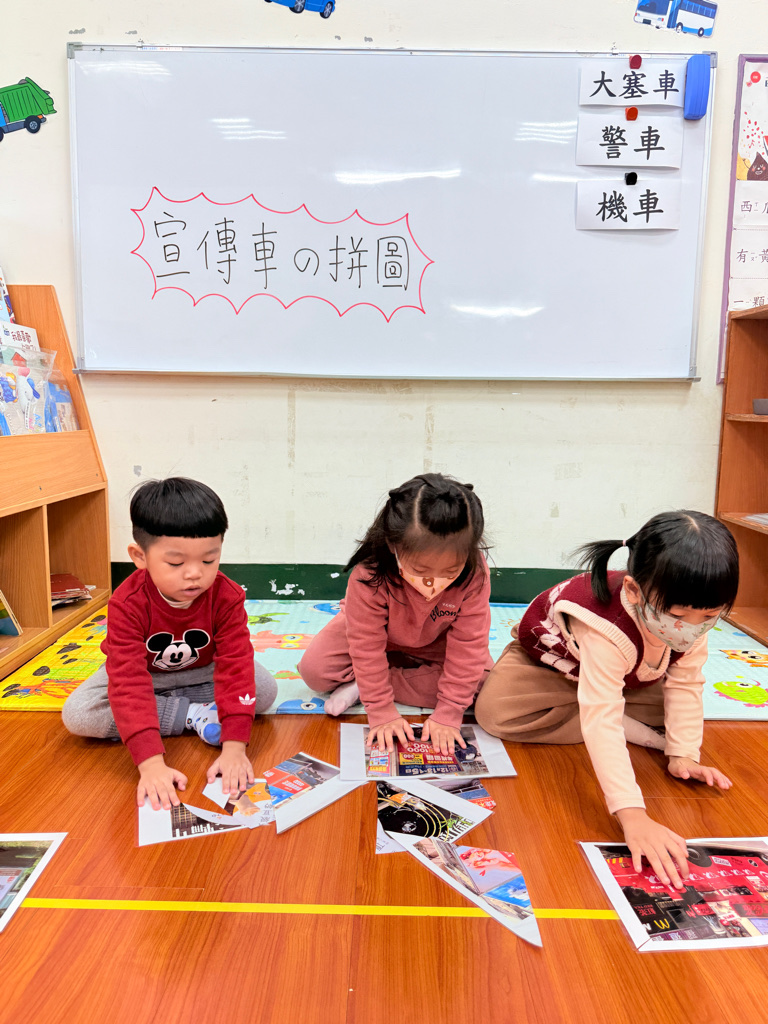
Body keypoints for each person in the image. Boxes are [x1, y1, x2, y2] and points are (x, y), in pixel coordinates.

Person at [475, 510, 738, 890]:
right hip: (550, 666)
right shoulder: (605, 627)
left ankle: (613, 710)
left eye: (710, 615)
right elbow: (600, 718)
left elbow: (686, 685)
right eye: (677, 615)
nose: (691, 628)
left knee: (674, 714)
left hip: (628, 673)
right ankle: (620, 718)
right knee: (497, 711)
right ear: (633, 591)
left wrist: (684, 754)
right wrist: (632, 815)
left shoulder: (692, 619)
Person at [62, 477, 277, 810]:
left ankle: (172, 709)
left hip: (204, 670)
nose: (194, 574)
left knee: (264, 690)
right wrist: (150, 764)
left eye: (209, 560)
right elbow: (128, 681)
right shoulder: (127, 603)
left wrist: (235, 747)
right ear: (140, 556)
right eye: (176, 563)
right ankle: (193, 713)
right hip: (146, 676)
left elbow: (235, 663)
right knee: (78, 713)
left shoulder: (227, 595)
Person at [299, 473, 492, 756]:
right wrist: (380, 710)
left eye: (451, 570)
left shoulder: (475, 573)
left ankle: (362, 686)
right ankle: (373, 682)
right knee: (315, 672)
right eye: (420, 570)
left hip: (438, 640)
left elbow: (469, 646)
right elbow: (365, 645)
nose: (434, 582)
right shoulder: (369, 573)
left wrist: (449, 712)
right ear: (393, 546)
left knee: (483, 685)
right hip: (376, 632)